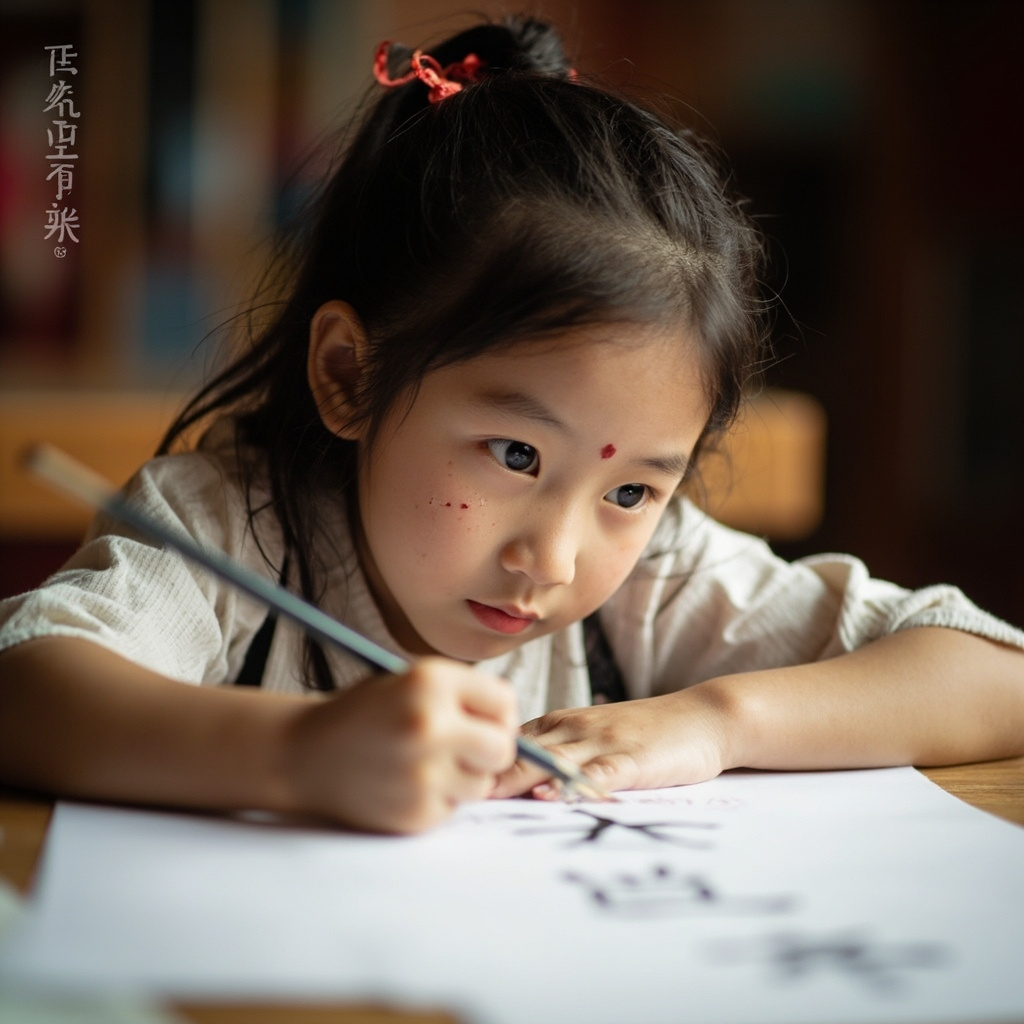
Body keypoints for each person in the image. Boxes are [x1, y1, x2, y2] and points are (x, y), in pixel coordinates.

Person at [1, 15, 1022, 835]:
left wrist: (717, 720)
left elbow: (995, 674)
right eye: (517, 454)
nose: (554, 558)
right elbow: (27, 689)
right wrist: (298, 754)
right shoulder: (234, 526)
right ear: (350, 374)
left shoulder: (658, 579)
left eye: (632, 489)